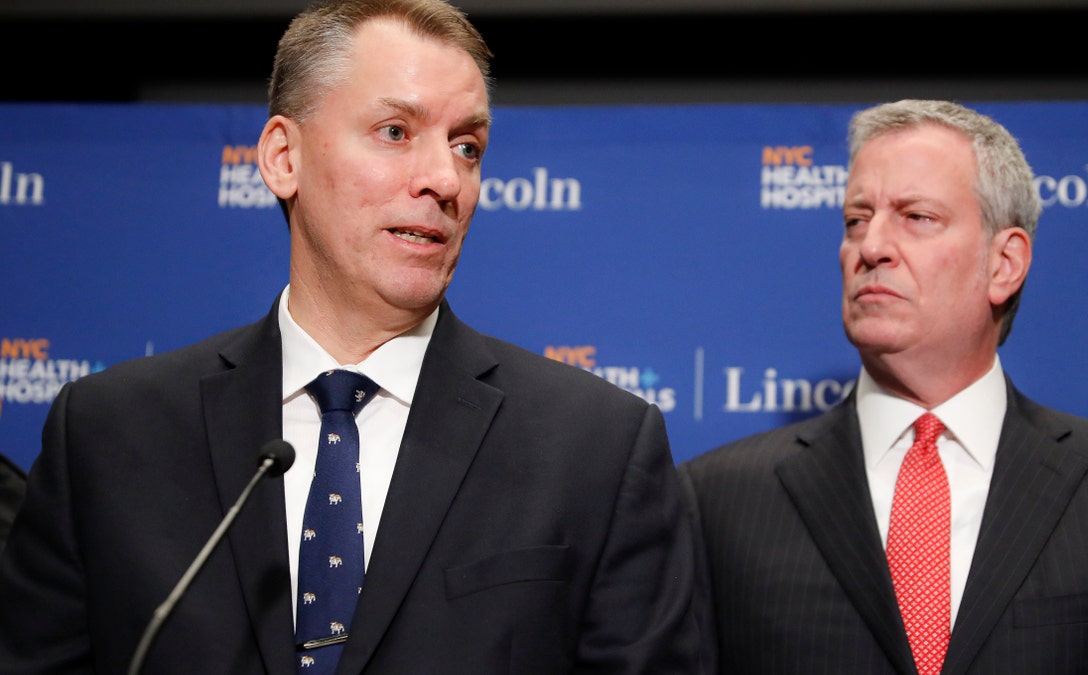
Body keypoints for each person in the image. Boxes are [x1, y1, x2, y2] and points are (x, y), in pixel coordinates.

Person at [0, 1, 704, 672]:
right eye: (396, 132)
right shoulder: (105, 435)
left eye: (467, 146)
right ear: (283, 157)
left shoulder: (598, 449)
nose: (444, 179)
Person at [678, 99, 1088, 674]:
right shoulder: (717, 501)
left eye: (916, 217)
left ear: (1004, 263)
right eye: (856, 219)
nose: (871, 247)